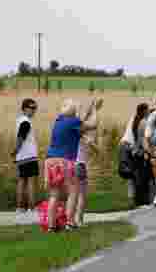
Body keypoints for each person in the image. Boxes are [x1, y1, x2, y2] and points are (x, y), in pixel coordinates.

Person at [45, 98, 100, 232]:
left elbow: (79, 130)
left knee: (54, 194)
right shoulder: (73, 122)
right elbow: (93, 125)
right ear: (73, 111)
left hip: (50, 160)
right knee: (73, 191)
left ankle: (51, 226)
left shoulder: (58, 121)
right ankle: (70, 222)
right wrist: (95, 110)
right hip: (65, 160)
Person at [73, 98, 100, 227]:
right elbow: (94, 124)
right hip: (80, 165)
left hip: (68, 164)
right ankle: (79, 220)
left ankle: (70, 220)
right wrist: (94, 109)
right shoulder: (84, 134)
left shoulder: (71, 130)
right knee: (82, 195)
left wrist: (91, 110)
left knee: (72, 195)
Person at [13, 98, 39, 224]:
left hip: (21, 157)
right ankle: (31, 208)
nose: (33, 110)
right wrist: (16, 150)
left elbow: (19, 137)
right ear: (24, 108)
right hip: (29, 156)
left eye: (35, 108)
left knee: (21, 182)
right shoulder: (26, 122)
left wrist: (16, 153)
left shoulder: (19, 120)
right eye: (31, 107)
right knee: (30, 183)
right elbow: (20, 138)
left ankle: (19, 208)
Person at [120, 103, 150, 208]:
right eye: (147, 110)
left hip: (129, 149)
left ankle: (133, 200)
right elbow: (141, 140)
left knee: (133, 177)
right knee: (138, 176)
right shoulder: (143, 122)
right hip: (133, 150)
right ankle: (140, 200)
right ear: (144, 111)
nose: (148, 112)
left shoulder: (135, 119)